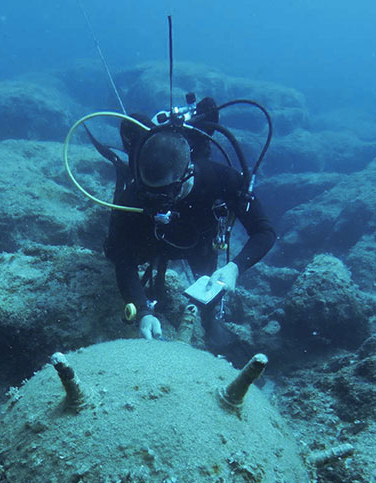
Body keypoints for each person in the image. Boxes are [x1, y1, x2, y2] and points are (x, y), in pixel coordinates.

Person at [102, 99, 276, 343]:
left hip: (200, 243)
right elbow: (124, 259)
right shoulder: (134, 194)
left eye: (165, 193)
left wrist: (236, 266)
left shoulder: (221, 179)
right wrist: (142, 310)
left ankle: (210, 322)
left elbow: (264, 231)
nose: (158, 203)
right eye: (150, 193)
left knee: (207, 292)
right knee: (113, 251)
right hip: (149, 241)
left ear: (187, 174)